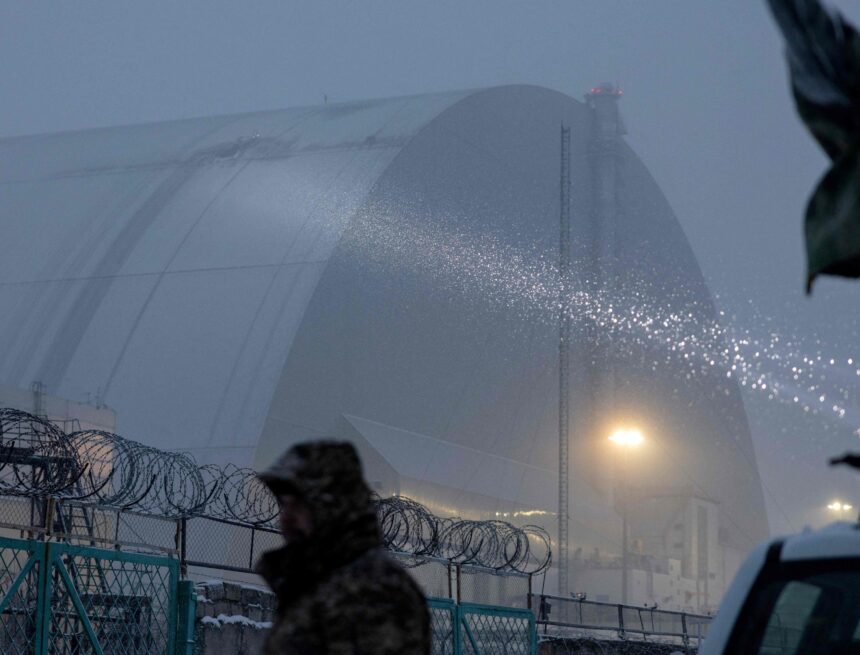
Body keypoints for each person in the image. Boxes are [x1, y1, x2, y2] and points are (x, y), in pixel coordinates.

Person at [256, 440, 431, 655]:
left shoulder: (372, 590)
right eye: (285, 505)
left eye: (299, 505)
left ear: (333, 507)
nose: (285, 518)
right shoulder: (317, 581)